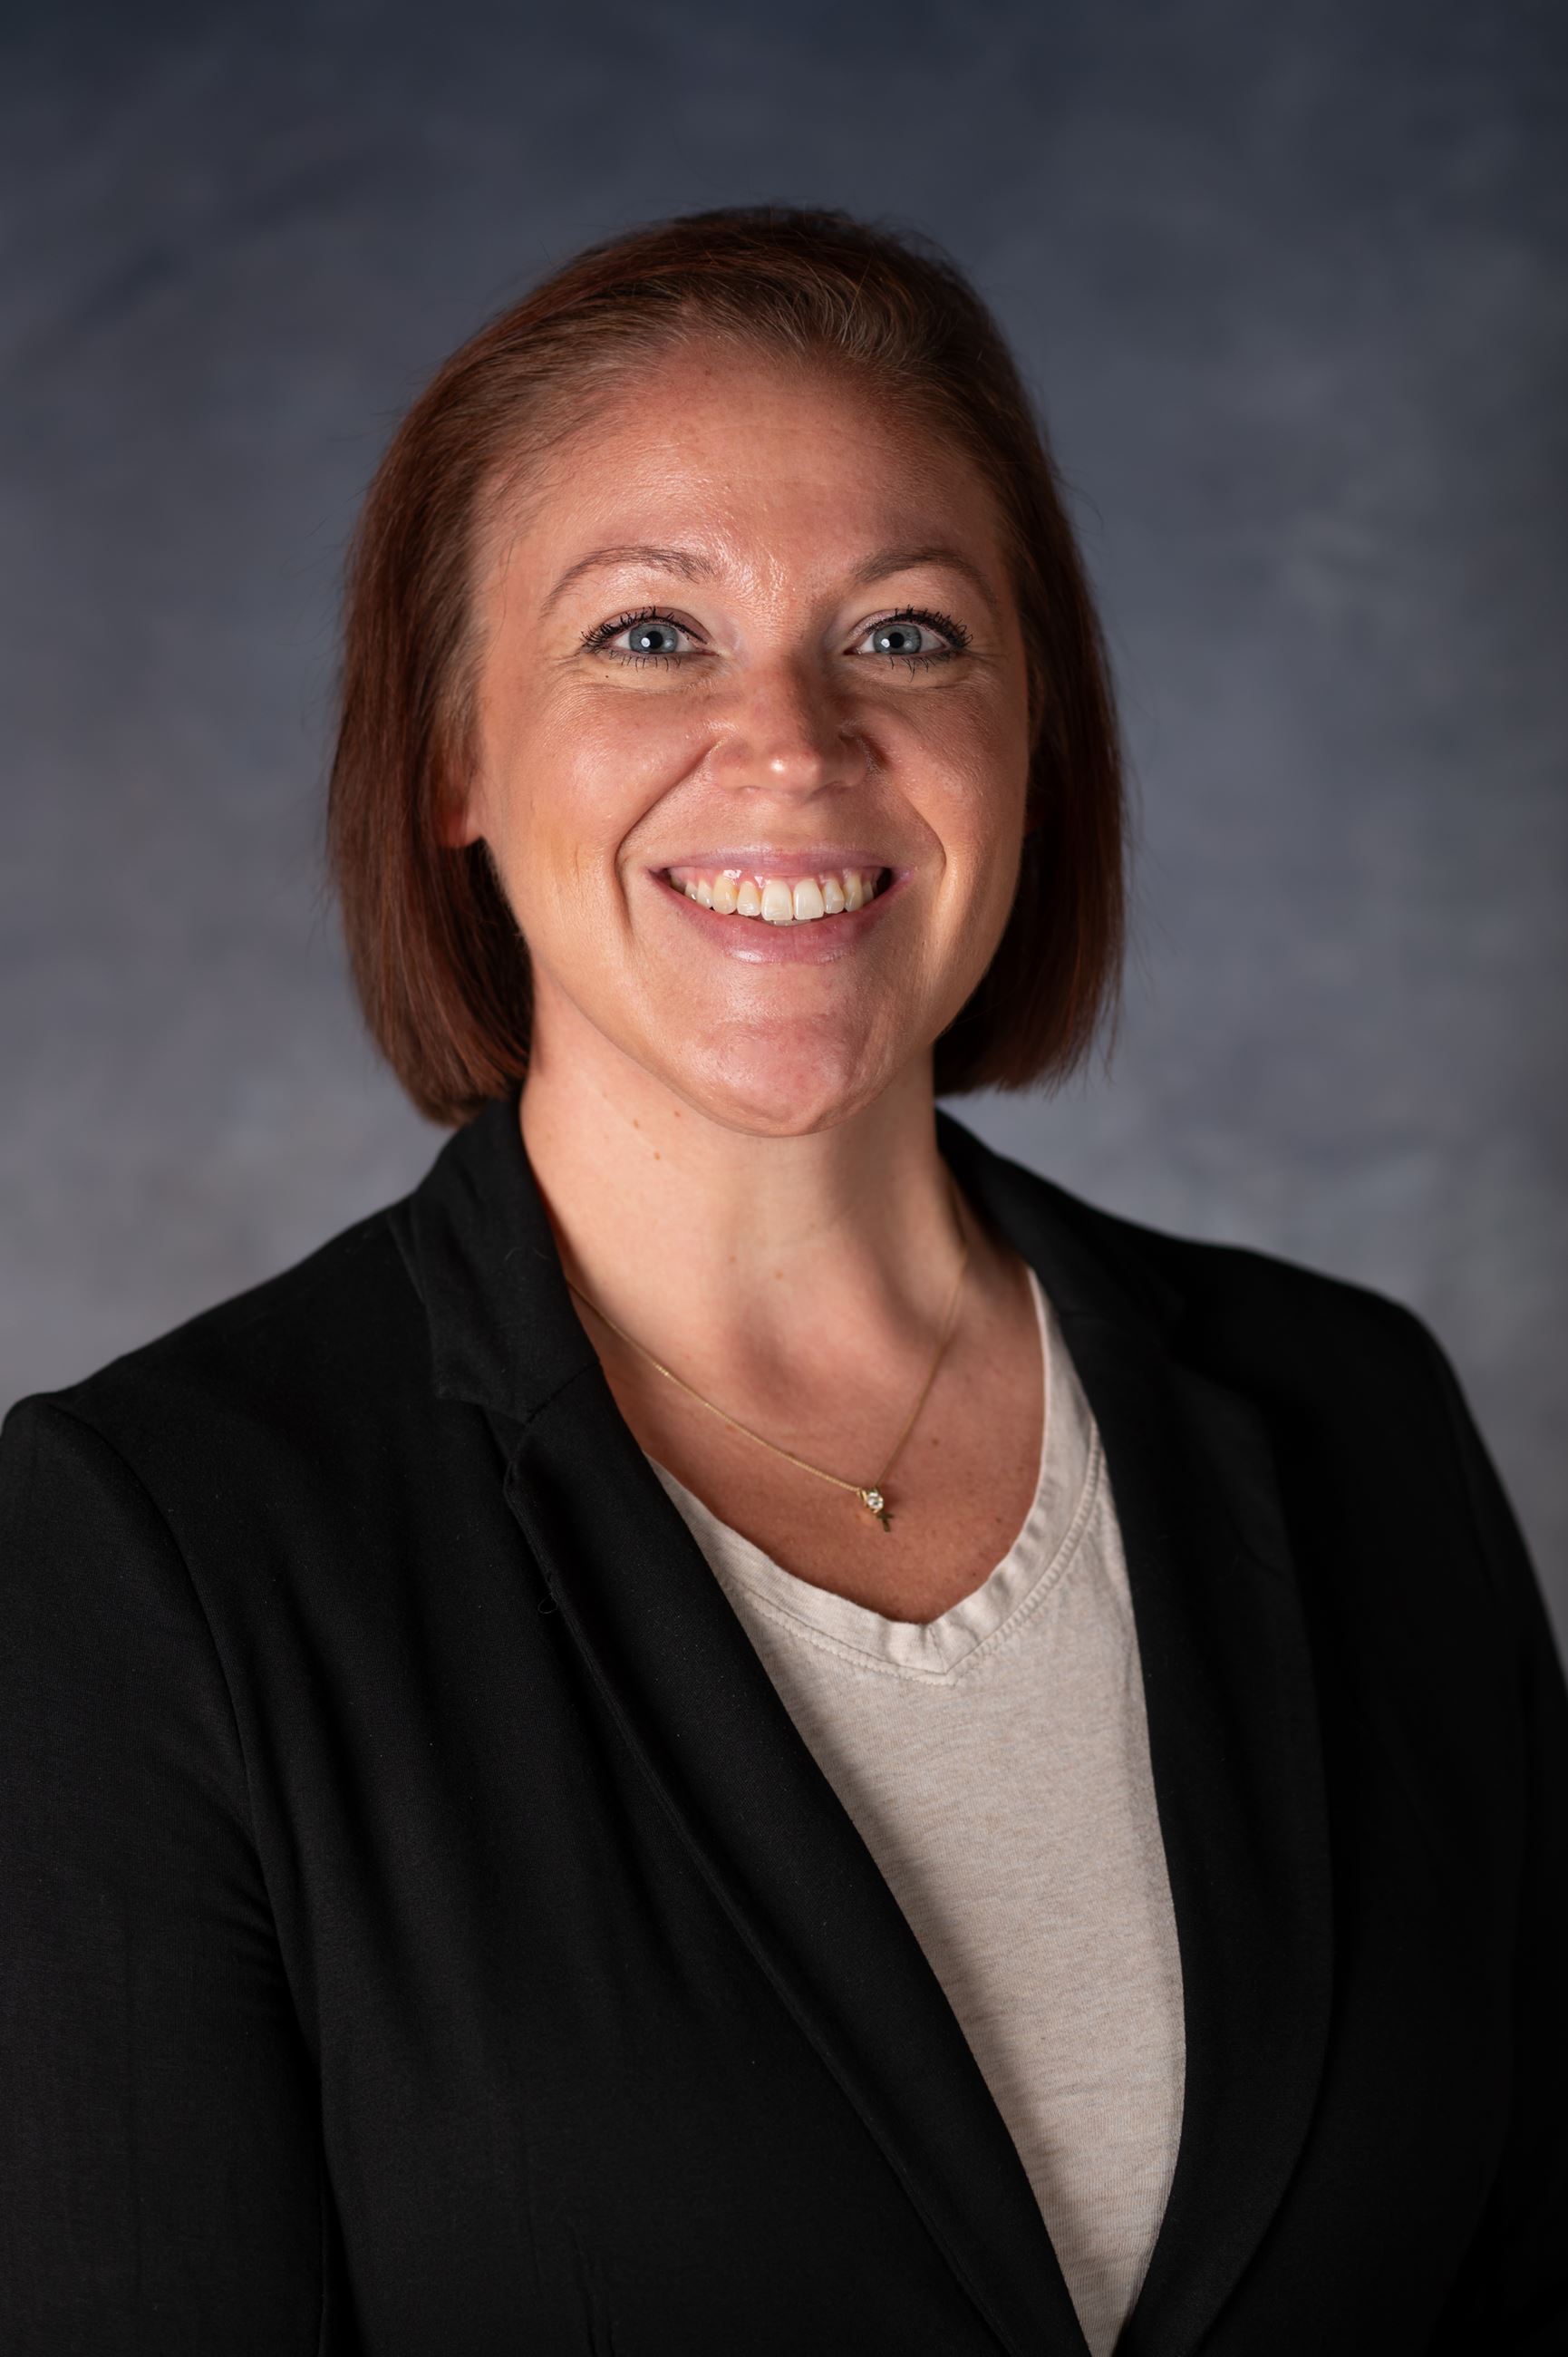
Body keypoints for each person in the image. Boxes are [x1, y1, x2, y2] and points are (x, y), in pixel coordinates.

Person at [1, 204, 1563, 2357]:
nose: (797, 746)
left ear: (1038, 737)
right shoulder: (150, 1552)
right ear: (452, 755)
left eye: (905, 634)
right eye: (649, 633)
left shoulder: (1355, 1418)